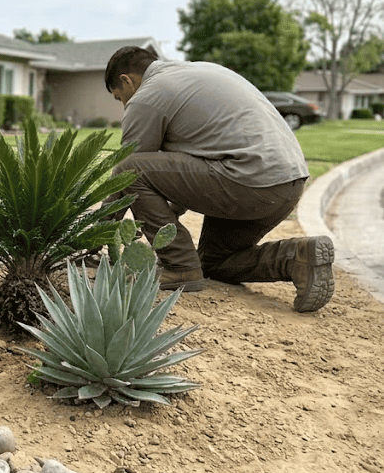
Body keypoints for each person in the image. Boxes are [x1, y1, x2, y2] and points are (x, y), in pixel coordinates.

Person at [102, 45, 333, 312]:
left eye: (120, 99)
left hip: (244, 181)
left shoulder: (148, 94)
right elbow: (182, 178)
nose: (124, 106)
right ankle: (297, 257)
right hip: (286, 185)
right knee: (215, 262)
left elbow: (127, 177)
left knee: (131, 167)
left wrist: (99, 232)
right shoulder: (202, 71)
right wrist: (161, 216)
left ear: (126, 80)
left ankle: (179, 267)